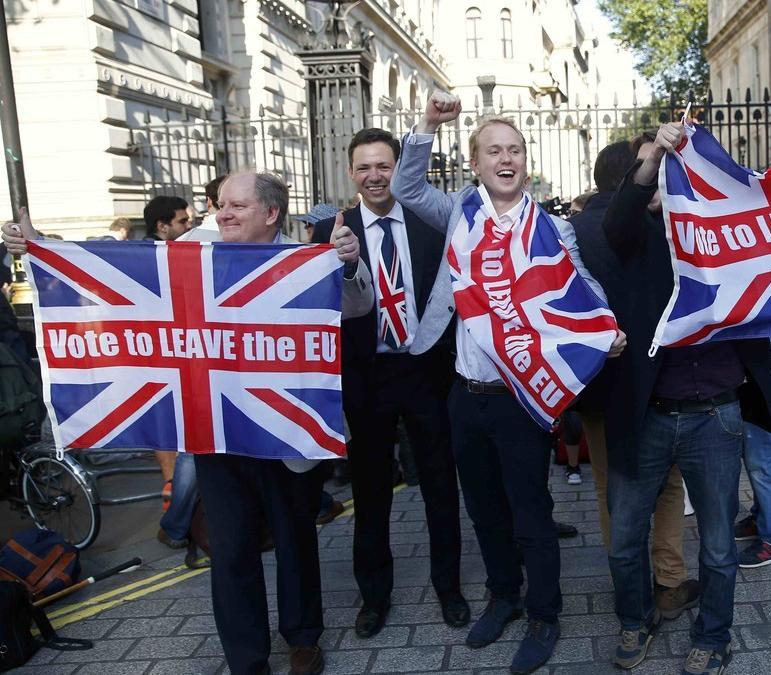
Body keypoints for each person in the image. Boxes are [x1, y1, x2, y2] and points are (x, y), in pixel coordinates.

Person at [2, 172, 373, 675]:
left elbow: (356, 306)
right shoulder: (189, 249)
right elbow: (109, 272)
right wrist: (43, 247)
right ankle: (247, 657)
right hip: (215, 430)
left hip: (286, 431)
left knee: (295, 540)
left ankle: (302, 639)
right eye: (221, 205)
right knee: (231, 548)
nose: (223, 214)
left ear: (270, 213)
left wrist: (348, 264)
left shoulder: (306, 256)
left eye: (237, 206)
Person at [392, 91, 625, 675]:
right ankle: (504, 597)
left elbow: (581, 290)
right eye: (494, 150)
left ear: (525, 160)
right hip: (464, 394)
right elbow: (405, 190)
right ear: (474, 162)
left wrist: (606, 329)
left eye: (515, 149)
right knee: (484, 509)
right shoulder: (459, 217)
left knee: (530, 511)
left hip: (521, 397)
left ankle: (545, 612)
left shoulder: (551, 227)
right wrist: (426, 126)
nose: (506, 158)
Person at [601, 121, 771, 674]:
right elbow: (616, 219)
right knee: (624, 540)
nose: (668, 182)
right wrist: (654, 152)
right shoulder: (636, 238)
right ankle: (637, 621)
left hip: (717, 416)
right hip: (648, 414)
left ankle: (714, 636)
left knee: (721, 546)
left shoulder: (733, 234)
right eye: (658, 173)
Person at [310, 128, 470, 636]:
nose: (375, 177)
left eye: (384, 166)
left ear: (399, 169)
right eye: (364, 168)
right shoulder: (330, 233)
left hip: (427, 371)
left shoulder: (430, 224)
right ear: (350, 174)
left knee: (441, 486)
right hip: (366, 377)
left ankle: (449, 588)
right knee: (371, 491)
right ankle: (373, 597)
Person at [569, 137, 700, 621]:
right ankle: (669, 578)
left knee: (612, 485)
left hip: (597, 384)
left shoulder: (571, 230)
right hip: (655, 381)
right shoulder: (652, 228)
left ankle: (626, 579)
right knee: (666, 482)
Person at [140, 195, 203, 548]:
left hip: (190, 365)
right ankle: (179, 522)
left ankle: (179, 522)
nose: (188, 226)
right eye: (182, 222)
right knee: (193, 445)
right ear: (162, 227)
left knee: (194, 444)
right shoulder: (147, 263)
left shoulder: (189, 255)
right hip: (173, 369)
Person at [734, 335, 771, 568]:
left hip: (761, 374)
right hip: (756, 371)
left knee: (763, 458)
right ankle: (762, 520)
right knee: (755, 454)